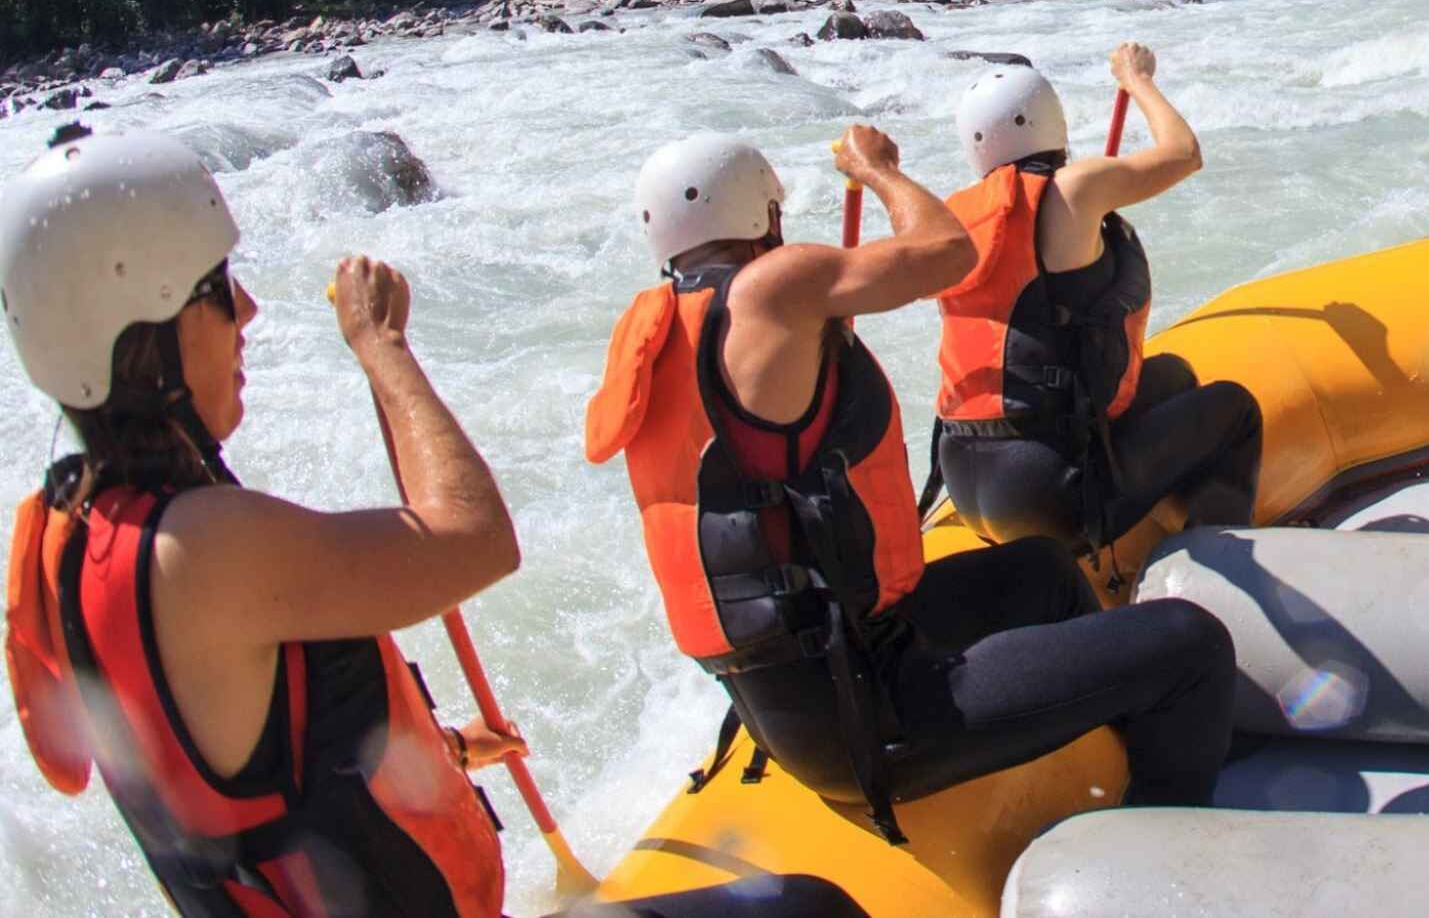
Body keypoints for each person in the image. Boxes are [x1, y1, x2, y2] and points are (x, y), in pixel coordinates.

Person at [588, 125, 1234, 849]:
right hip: (870, 709)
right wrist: (879, 169)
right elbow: (948, 249)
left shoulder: (664, 332)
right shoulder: (775, 287)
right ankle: (1171, 852)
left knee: (1041, 571)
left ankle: (1116, 729)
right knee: (1193, 644)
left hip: (821, 676)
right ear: (764, 216)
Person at [0, 127, 520, 917]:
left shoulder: (76, 535)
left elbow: (248, 773)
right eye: (216, 287)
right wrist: (382, 344)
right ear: (145, 339)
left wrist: (440, 752)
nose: (247, 308)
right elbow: (478, 536)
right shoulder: (198, 549)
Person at [931, 48, 1261, 568]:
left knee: (1172, 375)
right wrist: (1138, 80)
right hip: (1050, 493)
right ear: (1050, 122)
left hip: (969, 483)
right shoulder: (1074, 188)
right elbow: (1183, 153)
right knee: (1235, 408)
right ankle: (1219, 567)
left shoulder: (952, 221)